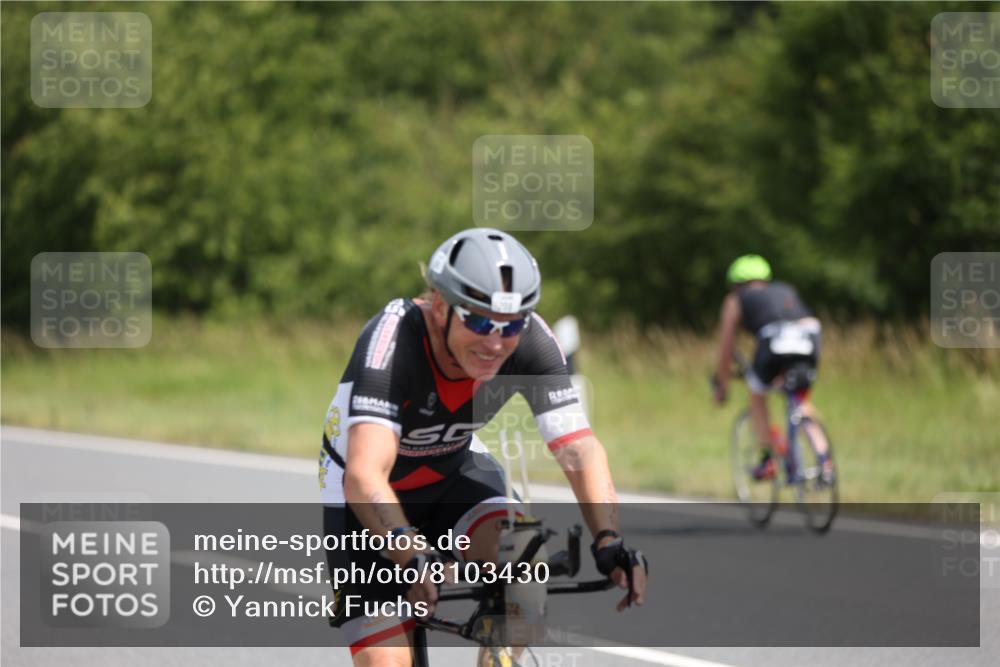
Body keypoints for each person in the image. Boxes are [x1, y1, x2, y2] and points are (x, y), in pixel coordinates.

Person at [319, 228, 648, 666]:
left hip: (454, 474)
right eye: (477, 321)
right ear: (440, 307)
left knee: (523, 563)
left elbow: (579, 449)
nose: (495, 343)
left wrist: (609, 539)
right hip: (366, 501)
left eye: (510, 325)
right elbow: (363, 477)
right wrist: (410, 553)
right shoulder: (394, 337)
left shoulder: (531, 341)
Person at [712, 254, 830, 481]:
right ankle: (825, 462)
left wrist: (722, 387)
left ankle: (767, 459)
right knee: (800, 400)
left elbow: (726, 349)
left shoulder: (735, 300)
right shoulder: (785, 289)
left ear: (736, 284)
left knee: (757, 393)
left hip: (775, 338)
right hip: (810, 334)